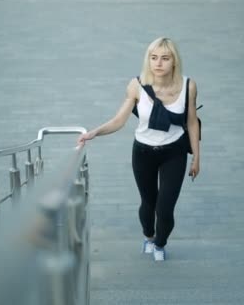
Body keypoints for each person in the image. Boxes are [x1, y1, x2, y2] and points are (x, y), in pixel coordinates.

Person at [77, 37, 201, 262]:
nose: (158, 63)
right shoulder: (136, 85)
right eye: (153, 58)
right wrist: (94, 133)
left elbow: (192, 122)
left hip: (174, 152)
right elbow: (119, 120)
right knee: (148, 203)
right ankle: (149, 235)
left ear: (174, 61)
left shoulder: (188, 86)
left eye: (165, 58)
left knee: (165, 209)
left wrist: (196, 158)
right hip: (143, 152)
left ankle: (160, 244)